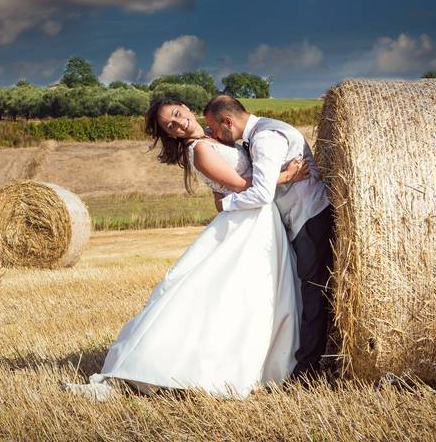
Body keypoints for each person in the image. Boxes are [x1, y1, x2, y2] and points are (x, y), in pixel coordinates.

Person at [65, 97, 310, 400]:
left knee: (254, 297)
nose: (179, 122)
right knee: (215, 296)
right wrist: (287, 176)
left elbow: (224, 194)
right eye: (171, 124)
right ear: (171, 134)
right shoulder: (201, 150)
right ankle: (151, 368)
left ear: (187, 109)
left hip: (260, 219)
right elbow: (239, 186)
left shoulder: (214, 137)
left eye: (178, 114)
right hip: (246, 219)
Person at [202, 94, 334, 381]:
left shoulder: (266, 138)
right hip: (297, 218)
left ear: (228, 121)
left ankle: (308, 371)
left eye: (214, 128)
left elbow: (262, 192)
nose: (213, 134)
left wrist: (225, 204)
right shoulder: (260, 135)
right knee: (302, 291)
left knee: (312, 293)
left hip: (308, 218)